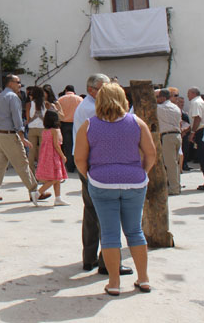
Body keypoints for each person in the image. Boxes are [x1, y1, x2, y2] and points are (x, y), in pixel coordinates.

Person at [74, 83, 157, 296]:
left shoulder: (89, 125)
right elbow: (151, 153)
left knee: (109, 233)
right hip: (134, 181)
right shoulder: (136, 123)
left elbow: (80, 158)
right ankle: (143, 279)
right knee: (135, 231)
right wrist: (142, 172)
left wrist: (90, 177)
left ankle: (113, 283)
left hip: (102, 182)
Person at [73, 74, 132, 277]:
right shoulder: (94, 109)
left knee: (92, 212)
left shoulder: (88, 107)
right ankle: (107, 262)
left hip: (89, 163)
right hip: (97, 164)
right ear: (91, 90)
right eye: (103, 87)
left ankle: (90, 258)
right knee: (106, 213)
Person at [0, 74, 39, 205]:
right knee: (22, 163)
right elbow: (17, 119)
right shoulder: (13, 97)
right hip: (9, 135)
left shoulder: (0, 96)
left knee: (0, 164)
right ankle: (35, 191)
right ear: (10, 83)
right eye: (18, 82)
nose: (20, 85)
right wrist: (22, 137)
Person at [35, 110, 69, 206]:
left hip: (46, 156)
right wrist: (63, 155)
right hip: (54, 156)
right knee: (56, 178)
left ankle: (58, 198)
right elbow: (56, 145)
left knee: (56, 178)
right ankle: (37, 193)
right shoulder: (56, 130)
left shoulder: (45, 131)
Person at [156, 88, 182, 195]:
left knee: (170, 164)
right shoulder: (175, 107)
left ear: (163, 97)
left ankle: (174, 188)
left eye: (158, 97)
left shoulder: (160, 108)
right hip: (177, 135)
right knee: (175, 163)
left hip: (167, 136)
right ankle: (176, 186)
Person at [187, 87, 204, 190]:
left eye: (188, 93)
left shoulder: (196, 102)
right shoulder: (200, 101)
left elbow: (197, 118)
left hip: (201, 131)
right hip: (202, 131)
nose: (187, 96)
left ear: (193, 93)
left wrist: (192, 132)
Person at [58, 85, 83, 172]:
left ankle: (70, 166)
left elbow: (58, 112)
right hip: (76, 124)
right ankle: (77, 164)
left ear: (66, 90)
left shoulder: (60, 99)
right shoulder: (79, 99)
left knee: (67, 146)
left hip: (64, 124)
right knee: (77, 144)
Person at [26, 86, 46, 173]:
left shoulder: (29, 104)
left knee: (31, 151)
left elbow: (28, 118)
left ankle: (31, 173)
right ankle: (41, 172)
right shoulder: (45, 103)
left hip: (32, 128)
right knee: (42, 151)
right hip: (43, 128)